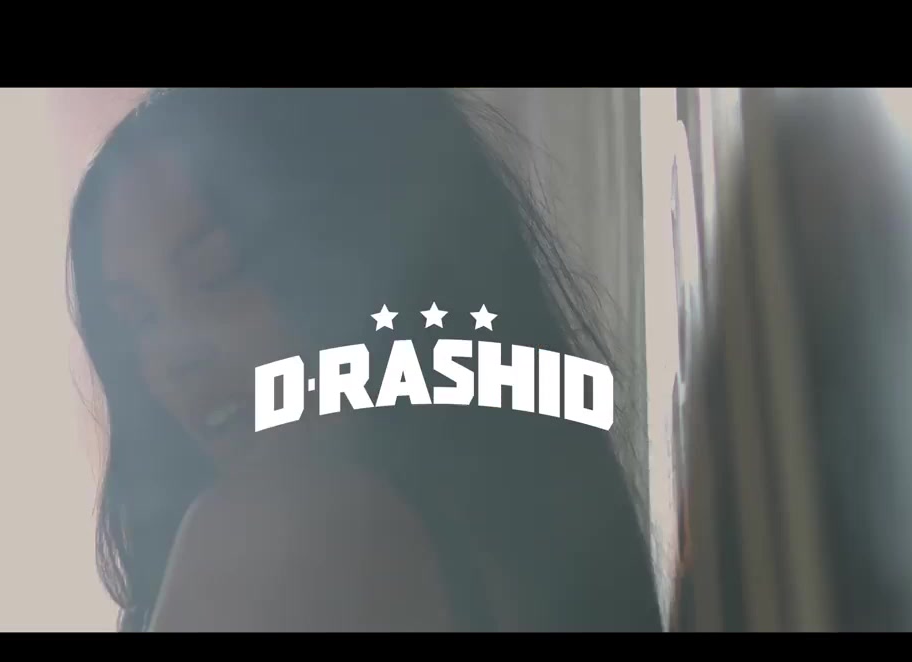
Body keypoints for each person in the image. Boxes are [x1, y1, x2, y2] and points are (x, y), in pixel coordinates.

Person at [66, 88, 662, 632]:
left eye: (217, 274)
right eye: (138, 319)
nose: (173, 355)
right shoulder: (533, 542)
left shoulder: (279, 532)